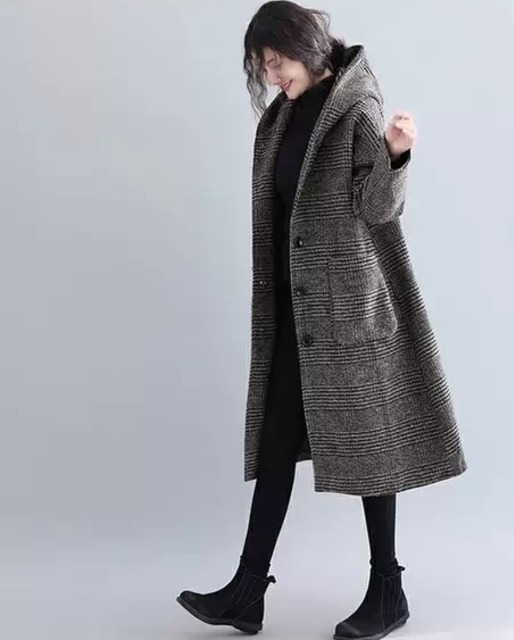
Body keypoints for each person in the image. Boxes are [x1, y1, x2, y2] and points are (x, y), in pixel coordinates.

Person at [176, 2, 467, 639]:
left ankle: (387, 590)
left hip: (348, 309)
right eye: (263, 67)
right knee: (277, 442)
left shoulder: (354, 108)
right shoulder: (284, 116)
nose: (272, 76)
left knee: (371, 445)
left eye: (276, 62)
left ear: (304, 46)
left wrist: (397, 154)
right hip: (296, 307)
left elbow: (378, 209)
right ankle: (247, 591)